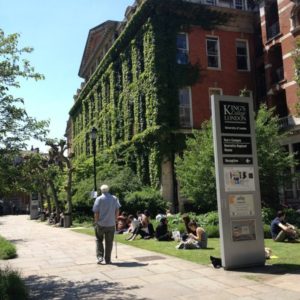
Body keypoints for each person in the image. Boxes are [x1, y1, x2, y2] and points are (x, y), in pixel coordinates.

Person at [93, 184, 121, 264]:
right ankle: (108, 259)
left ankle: (100, 257)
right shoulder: (114, 198)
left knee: (99, 240)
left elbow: (96, 212)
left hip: (101, 224)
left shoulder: (99, 199)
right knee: (109, 242)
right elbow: (117, 210)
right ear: (108, 190)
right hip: (111, 224)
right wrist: (115, 219)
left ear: (101, 190)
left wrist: (96, 221)